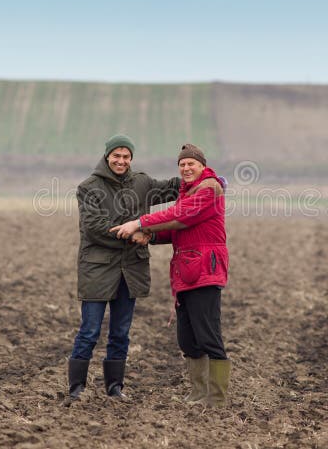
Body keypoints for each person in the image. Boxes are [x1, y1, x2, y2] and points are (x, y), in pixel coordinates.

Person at [111, 143, 230, 408]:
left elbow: (180, 215)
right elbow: (178, 228)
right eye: (182, 164)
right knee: (188, 339)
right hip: (186, 271)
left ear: (202, 165)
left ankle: (217, 399)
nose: (186, 168)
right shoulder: (189, 191)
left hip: (205, 271)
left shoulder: (209, 189)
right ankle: (198, 393)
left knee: (208, 335)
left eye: (191, 164)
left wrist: (140, 222)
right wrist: (150, 235)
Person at [67, 134, 180, 401]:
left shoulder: (142, 182)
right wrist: (134, 231)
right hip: (97, 270)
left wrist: (203, 178)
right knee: (90, 330)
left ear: (131, 158)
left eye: (126, 156)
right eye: (116, 156)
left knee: (120, 333)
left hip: (130, 270)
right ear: (107, 157)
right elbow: (94, 229)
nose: (121, 161)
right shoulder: (88, 187)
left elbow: (171, 188)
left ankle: (115, 388)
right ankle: (76, 390)